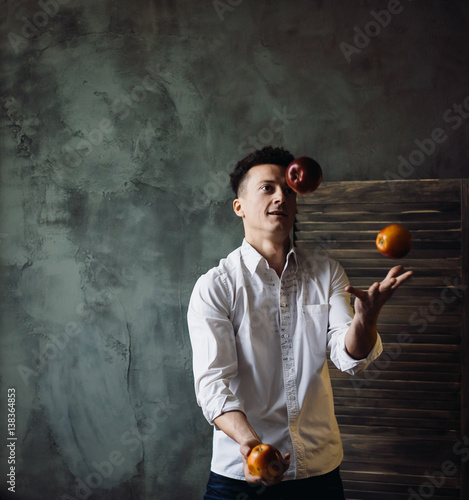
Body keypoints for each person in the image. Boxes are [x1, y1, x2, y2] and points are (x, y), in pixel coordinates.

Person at [187, 146, 413, 500]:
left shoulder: (326, 272)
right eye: (268, 188)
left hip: (318, 473)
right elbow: (212, 385)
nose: (281, 198)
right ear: (239, 207)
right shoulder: (216, 286)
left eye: (289, 191)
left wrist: (366, 319)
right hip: (240, 475)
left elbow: (347, 354)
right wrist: (250, 446)